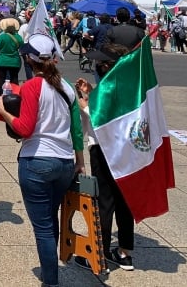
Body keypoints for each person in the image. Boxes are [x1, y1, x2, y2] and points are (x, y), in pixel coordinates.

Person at [0, 34, 85, 287]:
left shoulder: (33, 86)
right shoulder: (66, 86)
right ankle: (51, 274)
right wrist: (80, 160)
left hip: (37, 161)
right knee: (51, 217)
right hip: (65, 161)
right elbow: (76, 128)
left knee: (43, 226)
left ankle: (51, 281)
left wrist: (3, 111)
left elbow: (24, 128)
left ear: (28, 58)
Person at [74, 43, 136, 272]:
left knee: (104, 201)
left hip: (104, 149)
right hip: (126, 150)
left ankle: (97, 252)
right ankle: (124, 252)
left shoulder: (110, 85)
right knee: (124, 200)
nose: (97, 66)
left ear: (108, 65)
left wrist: (84, 105)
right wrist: (91, 94)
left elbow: (102, 120)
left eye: (100, 63)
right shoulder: (130, 85)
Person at [0, 17, 24, 95]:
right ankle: (15, 95)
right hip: (14, 61)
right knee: (14, 79)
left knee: (1, 79)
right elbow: (21, 45)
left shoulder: (2, 37)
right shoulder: (18, 37)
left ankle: (1, 96)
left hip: (2, 61)